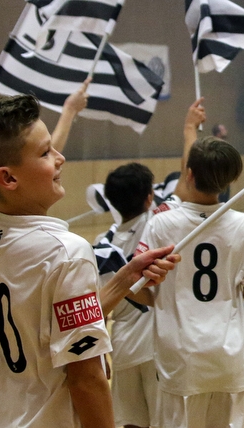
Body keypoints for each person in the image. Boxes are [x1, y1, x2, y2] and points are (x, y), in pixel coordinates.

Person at [0, 95, 178, 427]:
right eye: (45, 152)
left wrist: (123, 279)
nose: (60, 157)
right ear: (8, 179)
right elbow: (86, 379)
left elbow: (41, 327)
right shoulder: (66, 252)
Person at [138, 99, 244, 428]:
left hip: (179, 356)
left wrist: (160, 300)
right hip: (229, 356)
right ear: (233, 177)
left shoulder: (162, 223)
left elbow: (138, 290)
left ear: (188, 174)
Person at [99, 162, 161, 428]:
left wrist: (99, 354)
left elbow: (98, 305)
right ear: (149, 197)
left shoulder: (101, 246)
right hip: (157, 343)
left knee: (131, 423)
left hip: (122, 346)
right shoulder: (158, 226)